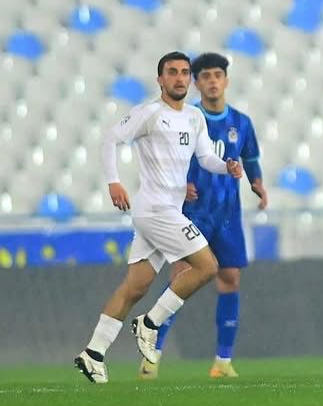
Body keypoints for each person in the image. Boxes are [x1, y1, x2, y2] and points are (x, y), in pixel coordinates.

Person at [75, 52, 243, 384]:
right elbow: (111, 138)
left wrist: (227, 167)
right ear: (160, 80)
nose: (179, 78)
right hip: (156, 210)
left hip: (167, 210)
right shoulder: (150, 114)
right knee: (207, 266)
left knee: (135, 287)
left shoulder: (195, 117)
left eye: (184, 73)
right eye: (172, 73)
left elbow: (206, 155)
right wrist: (113, 181)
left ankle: (93, 353)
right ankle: (149, 324)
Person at [138, 53, 267, 380]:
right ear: (196, 83)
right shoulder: (185, 118)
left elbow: (249, 158)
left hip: (227, 214)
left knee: (230, 279)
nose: (212, 81)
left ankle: (222, 362)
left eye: (217, 75)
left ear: (225, 80)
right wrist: (180, 184)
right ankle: (152, 356)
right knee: (181, 277)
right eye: (205, 76)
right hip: (191, 212)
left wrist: (258, 185)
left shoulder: (241, 122)